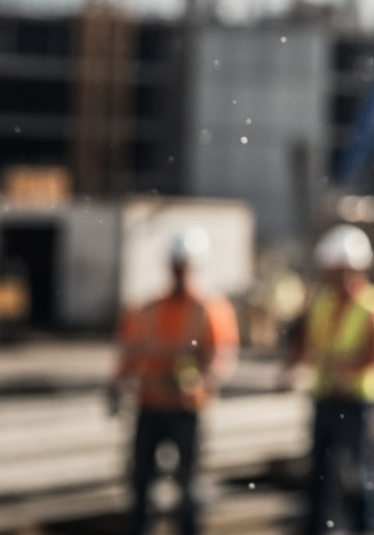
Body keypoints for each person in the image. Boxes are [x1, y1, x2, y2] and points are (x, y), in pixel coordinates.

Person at [113, 227, 240, 535]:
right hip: (150, 405)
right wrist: (115, 386)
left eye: (185, 266)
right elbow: (130, 353)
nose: (180, 273)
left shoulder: (209, 309)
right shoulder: (147, 309)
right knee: (141, 481)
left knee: (188, 485)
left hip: (187, 410)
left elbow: (219, 358)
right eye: (177, 265)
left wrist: (201, 383)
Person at [285, 224, 374, 535]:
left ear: (350, 270)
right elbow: (306, 341)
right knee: (319, 476)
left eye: (334, 271)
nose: (329, 277)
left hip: (359, 402)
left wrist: (341, 366)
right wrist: (294, 363)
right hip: (326, 398)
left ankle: (367, 529)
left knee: (361, 476)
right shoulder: (323, 301)